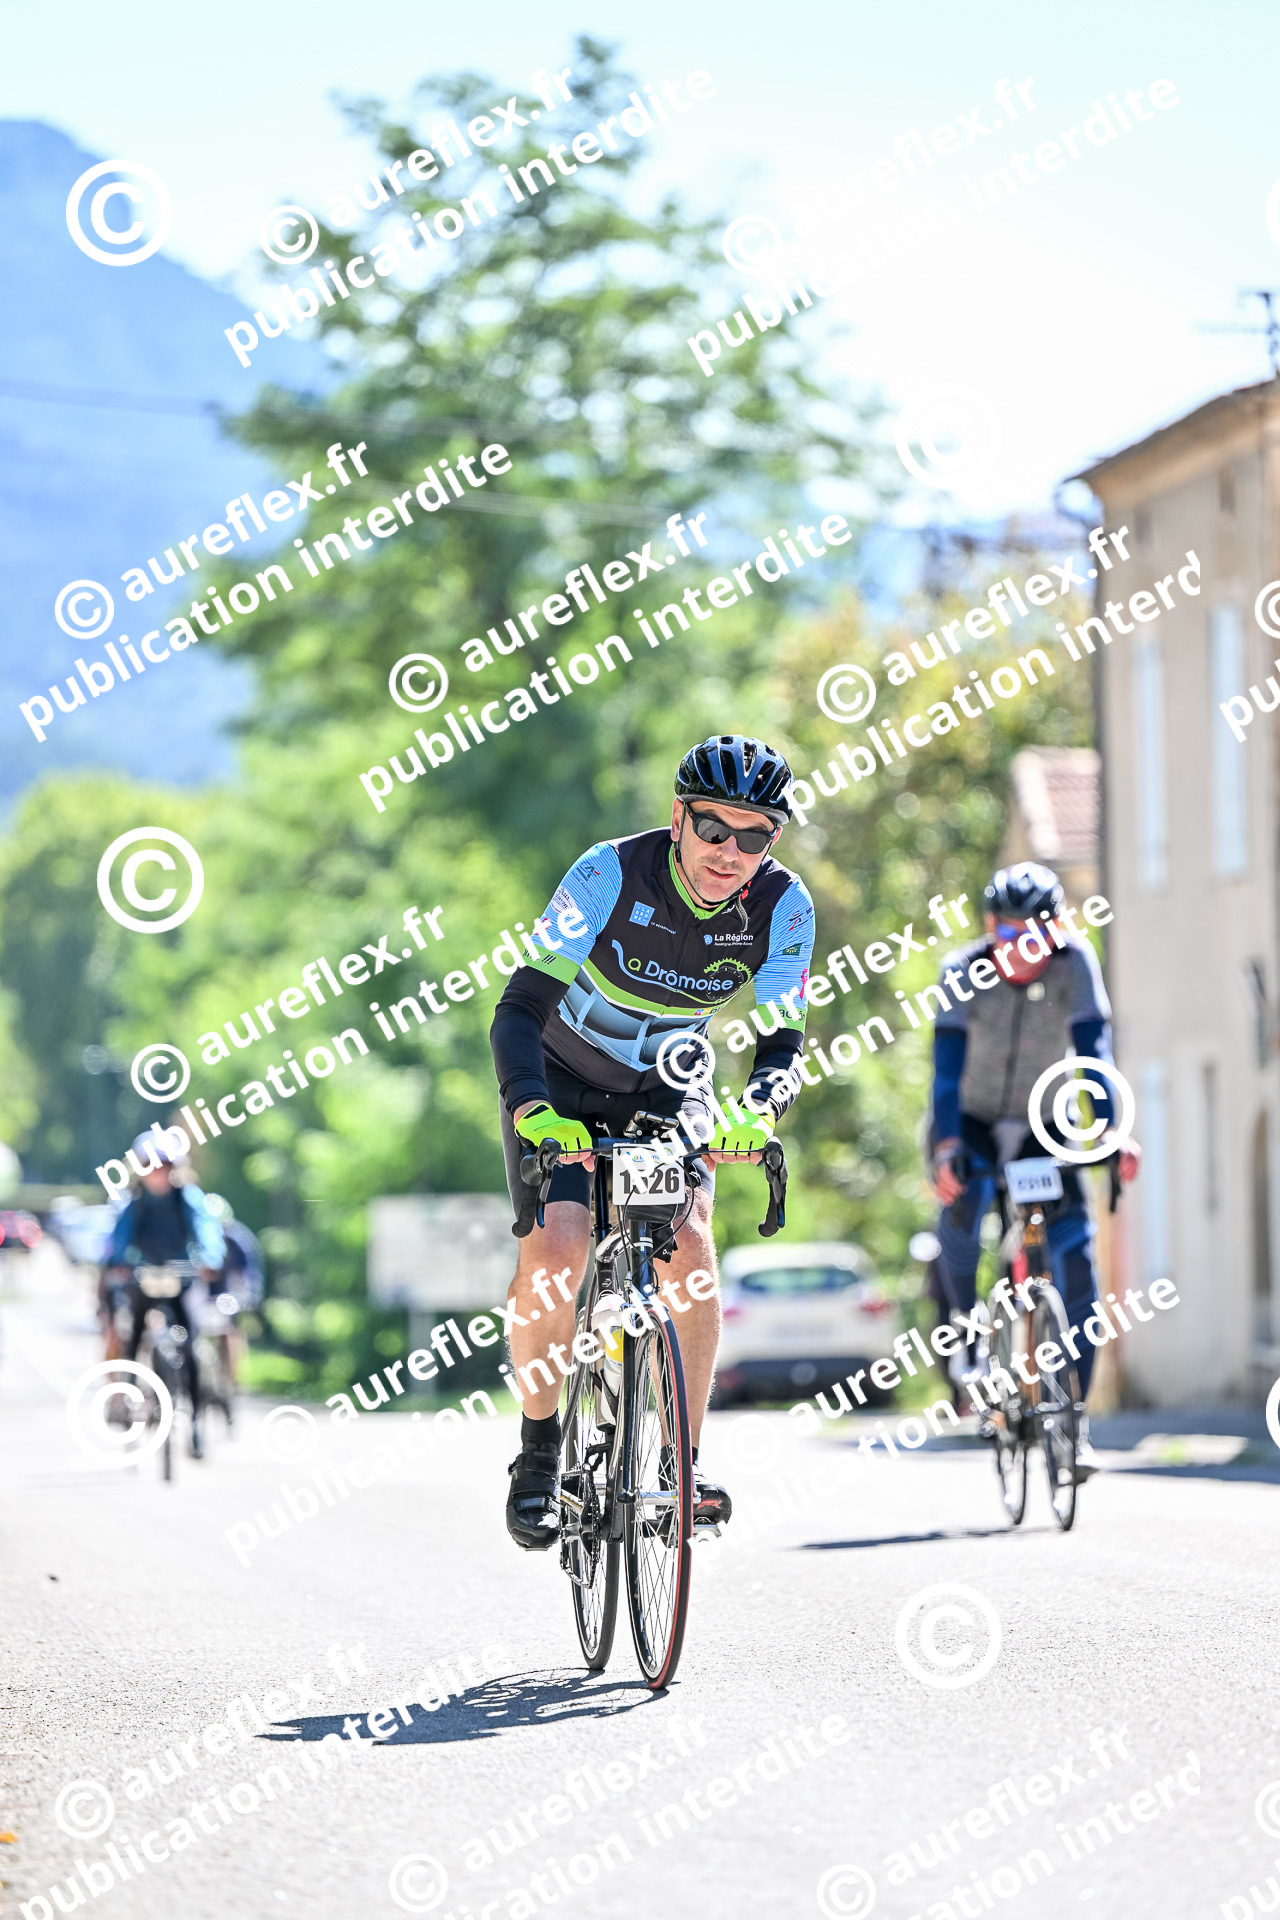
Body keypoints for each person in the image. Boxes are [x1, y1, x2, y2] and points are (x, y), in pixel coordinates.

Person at [490, 734, 815, 1549]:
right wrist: (532, 1111)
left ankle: (682, 1464)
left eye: (754, 835)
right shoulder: (607, 873)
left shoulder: (784, 906)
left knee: (691, 1245)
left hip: (669, 1087)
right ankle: (538, 1454)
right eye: (713, 828)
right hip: (560, 1079)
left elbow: (781, 1042)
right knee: (557, 1253)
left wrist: (759, 1110)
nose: (730, 852)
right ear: (678, 818)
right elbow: (518, 1010)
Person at [928, 862, 1140, 1480]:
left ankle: (1074, 1426)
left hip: (1044, 1124)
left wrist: (1110, 1129)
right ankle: (968, 1347)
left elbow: (1094, 1053)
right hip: (969, 1120)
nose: (1022, 947)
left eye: (1037, 933)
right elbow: (945, 1075)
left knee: (1076, 1264)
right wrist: (946, 1147)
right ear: (989, 927)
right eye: (1008, 933)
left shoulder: (1076, 964)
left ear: (1057, 928)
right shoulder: (962, 971)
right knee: (963, 1214)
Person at [101, 1137, 225, 1457]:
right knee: (132, 1337)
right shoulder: (134, 1201)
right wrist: (117, 1263)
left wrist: (210, 1259)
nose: (158, 1174)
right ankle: (127, 1400)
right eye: (151, 1167)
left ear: (175, 1169)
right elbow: (120, 1237)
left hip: (181, 1277)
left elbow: (206, 1228)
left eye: (165, 1166)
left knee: (191, 1343)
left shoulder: (188, 1198)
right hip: (144, 1276)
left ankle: (195, 1423)